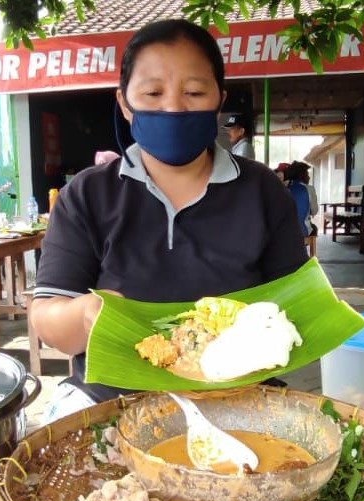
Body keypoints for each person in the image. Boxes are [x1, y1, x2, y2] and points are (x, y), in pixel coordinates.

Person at [30, 19, 307, 411]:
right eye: (153, 92)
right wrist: (85, 315)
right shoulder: (88, 195)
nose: (174, 107)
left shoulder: (262, 191)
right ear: (125, 104)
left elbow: (295, 310)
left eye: (194, 92)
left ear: (218, 101)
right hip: (112, 402)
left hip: (239, 400)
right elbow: (49, 319)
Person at [287, 161, 318, 235]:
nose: (309, 177)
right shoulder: (309, 189)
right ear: (302, 175)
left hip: (284, 231)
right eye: (307, 174)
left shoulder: (284, 188)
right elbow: (314, 211)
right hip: (302, 230)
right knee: (314, 228)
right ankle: (302, 246)